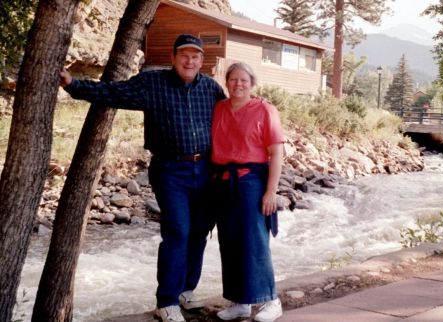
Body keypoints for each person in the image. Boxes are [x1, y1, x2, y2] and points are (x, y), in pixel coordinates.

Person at [60, 34, 225, 322]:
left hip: (206, 169)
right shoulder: (153, 83)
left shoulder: (211, 89)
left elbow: (232, 120)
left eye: (195, 56)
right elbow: (113, 92)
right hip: (170, 170)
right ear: (174, 58)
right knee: (177, 232)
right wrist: (73, 85)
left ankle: (187, 290)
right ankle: (167, 302)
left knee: (199, 232)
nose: (190, 61)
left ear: (202, 60)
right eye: (184, 55)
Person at [211, 62, 284, 322]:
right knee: (229, 242)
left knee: (254, 241)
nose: (238, 84)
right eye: (233, 80)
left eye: (244, 80)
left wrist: (270, 192)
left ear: (252, 84)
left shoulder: (265, 110)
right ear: (226, 82)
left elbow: (277, 153)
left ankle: (271, 299)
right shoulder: (219, 108)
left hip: (252, 181)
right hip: (223, 182)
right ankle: (240, 301)